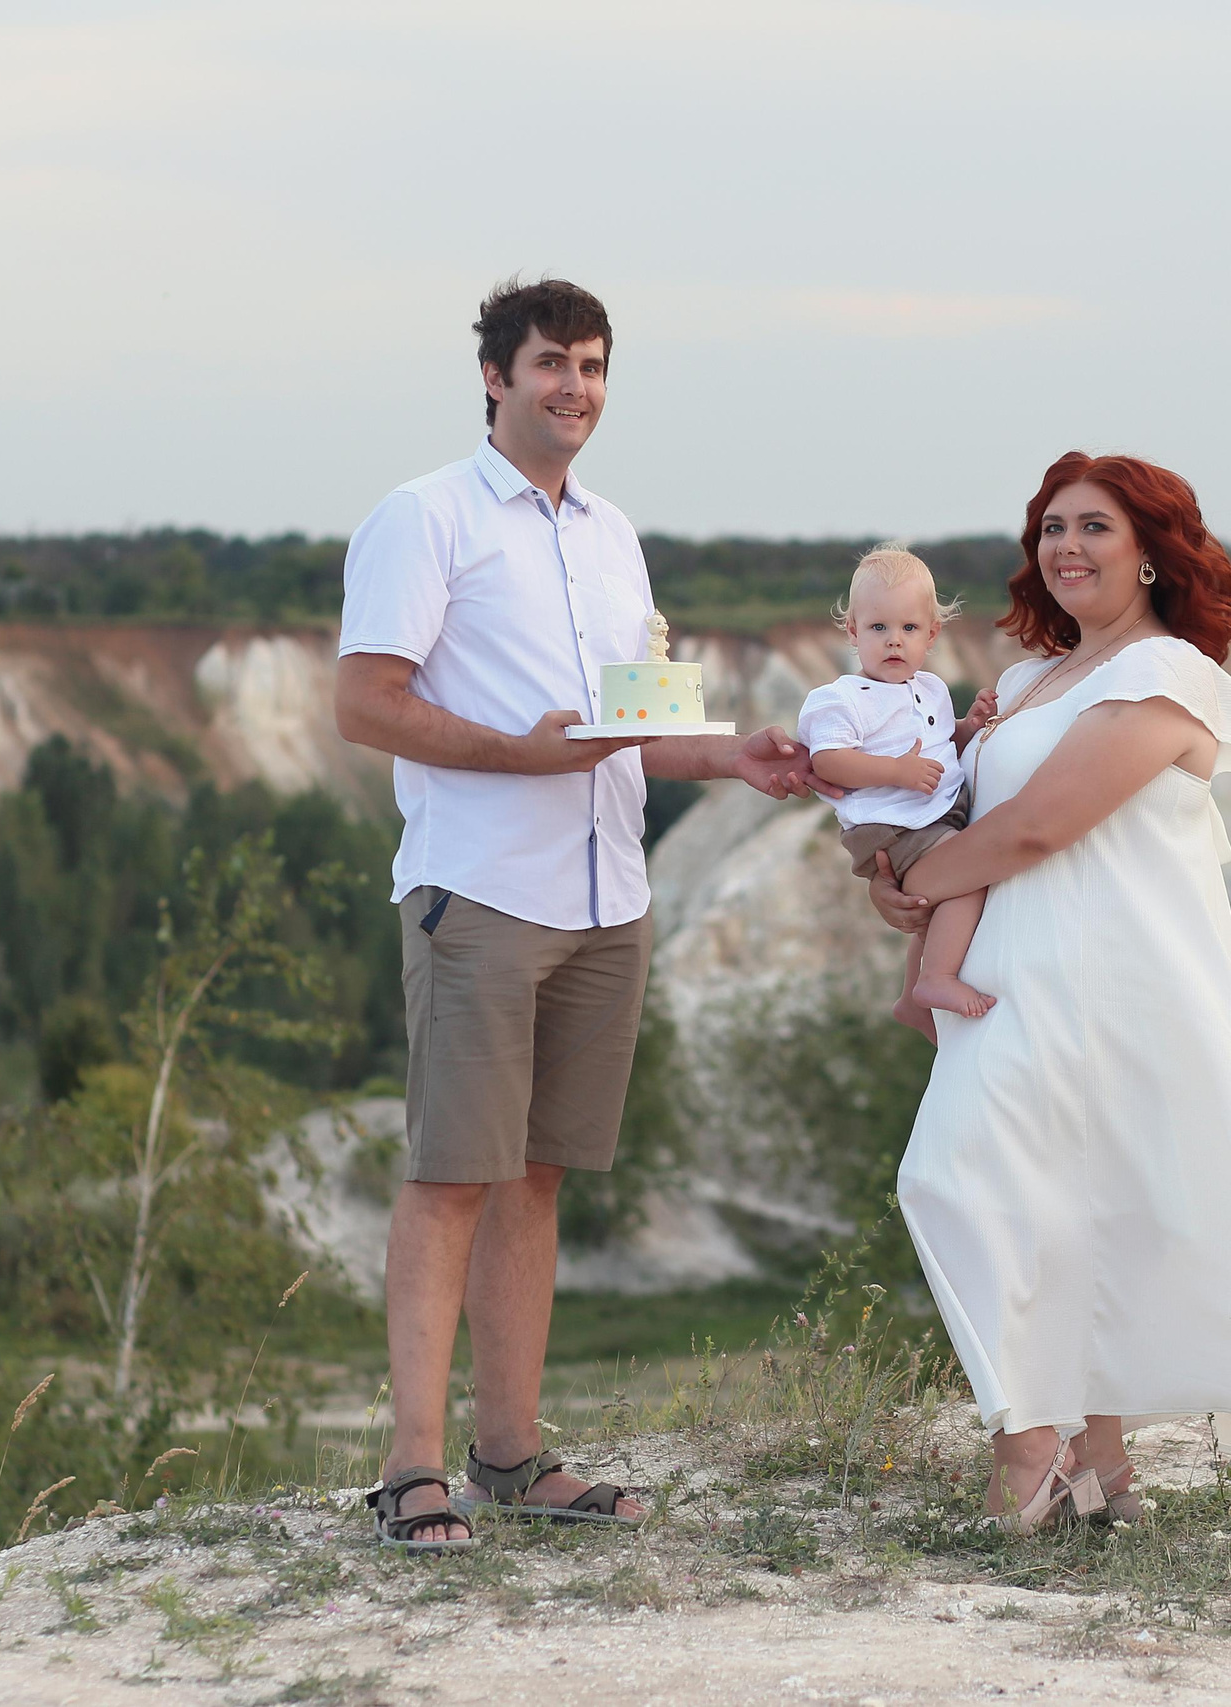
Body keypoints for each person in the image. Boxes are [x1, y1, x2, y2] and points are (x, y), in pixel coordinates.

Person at [334, 277, 825, 1551]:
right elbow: (364, 703)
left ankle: (511, 1457)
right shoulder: (424, 517)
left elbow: (626, 729)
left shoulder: (612, 535)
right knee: (453, 1174)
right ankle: (410, 1472)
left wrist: (732, 759)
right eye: (551, 362)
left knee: (537, 1177)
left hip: (608, 896)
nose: (575, 387)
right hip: (482, 893)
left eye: (594, 365)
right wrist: (518, 755)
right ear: (494, 377)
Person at [868, 451, 1231, 1532]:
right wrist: (903, 868)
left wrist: (911, 881)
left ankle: (1029, 1447)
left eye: (1095, 526)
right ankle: (1100, 1467)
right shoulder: (1027, 683)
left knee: (959, 1180)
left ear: (1149, 554)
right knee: (1057, 1207)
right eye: (1052, 527)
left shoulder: (1166, 674)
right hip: (1011, 976)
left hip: (1115, 981)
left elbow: (1038, 828)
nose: (1068, 546)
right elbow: (963, 809)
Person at [798, 547, 997, 1034]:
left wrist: (969, 727)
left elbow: (941, 742)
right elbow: (828, 761)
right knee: (969, 875)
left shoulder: (930, 688)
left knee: (937, 907)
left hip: (934, 814)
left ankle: (911, 999)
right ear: (853, 632)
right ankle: (937, 978)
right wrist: (895, 771)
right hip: (893, 826)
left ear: (932, 634)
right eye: (878, 627)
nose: (894, 640)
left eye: (909, 628)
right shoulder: (842, 699)